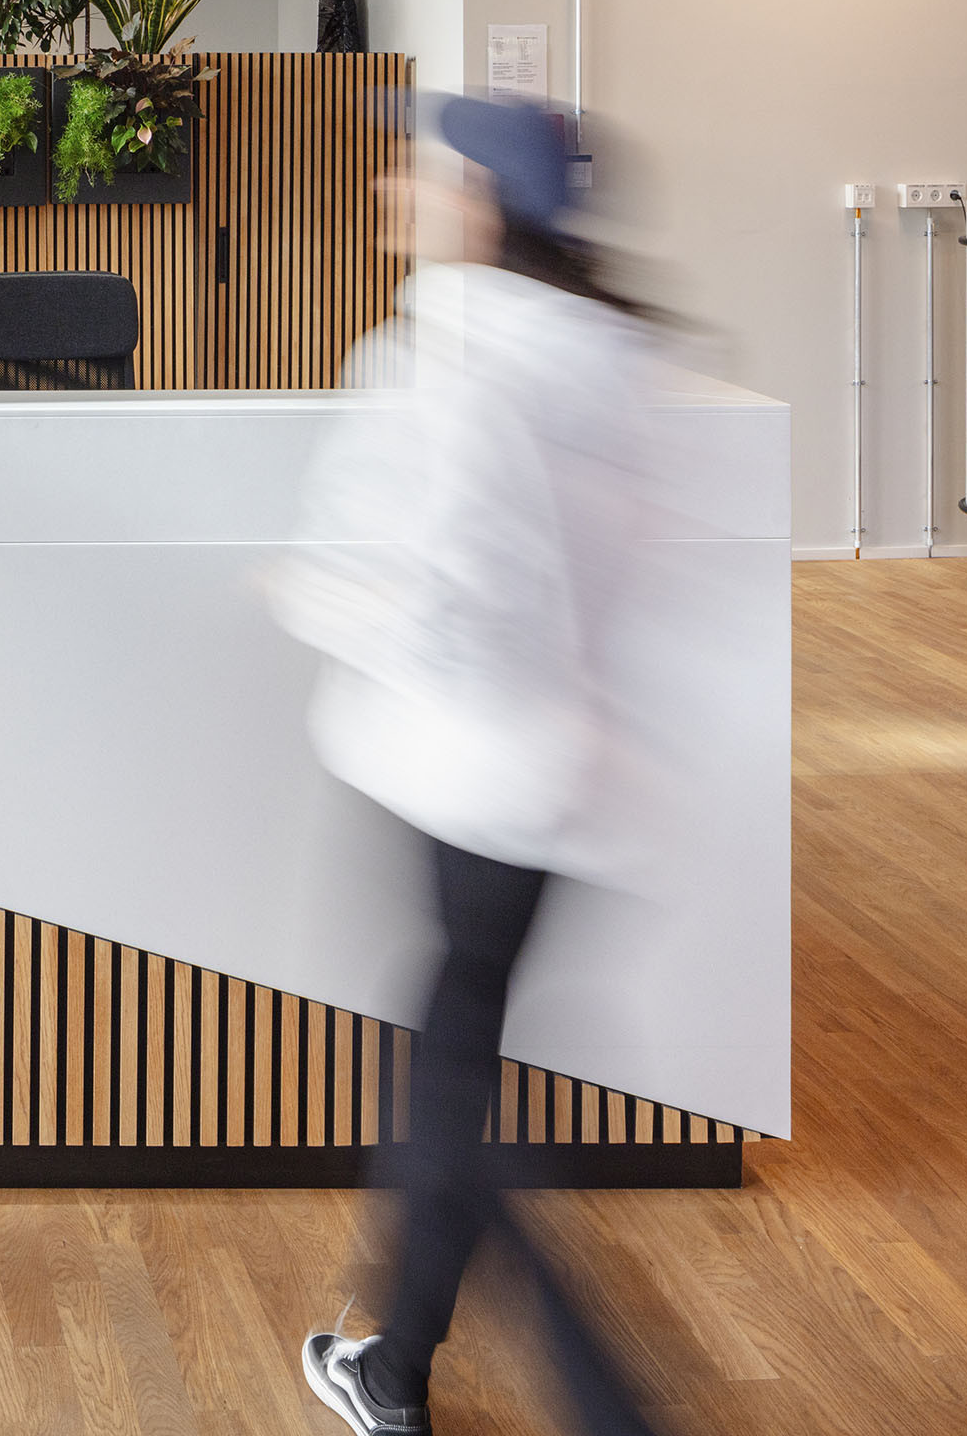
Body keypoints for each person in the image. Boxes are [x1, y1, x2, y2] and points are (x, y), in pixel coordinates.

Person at [274, 97, 663, 1436]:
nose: (395, 184)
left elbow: (454, 596)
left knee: (450, 1112)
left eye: (422, 169)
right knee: (455, 1057)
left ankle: (609, 1403)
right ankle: (392, 1372)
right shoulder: (604, 354)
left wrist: (316, 597)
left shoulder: (444, 357)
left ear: (480, 205)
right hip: (565, 781)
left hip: (461, 775)